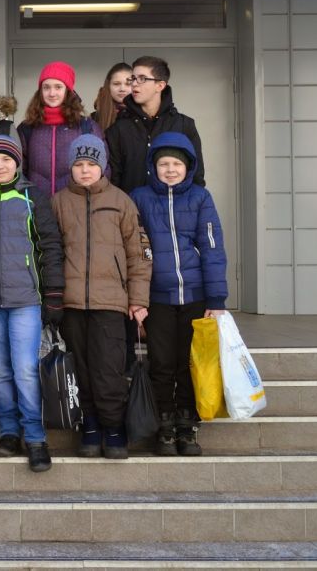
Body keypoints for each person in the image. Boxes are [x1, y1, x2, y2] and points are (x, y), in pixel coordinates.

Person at [0, 135, 64, 472]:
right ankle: (8, 432)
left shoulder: (31, 196)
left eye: (6, 159)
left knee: (24, 369)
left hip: (25, 299)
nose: (0, 165)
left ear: (17, 162)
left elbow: (50, 245)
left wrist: (54, 293)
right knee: (0, 370)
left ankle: (35, 438)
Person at [51, 133, 150, 460]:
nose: (85, 170)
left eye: (91, 164)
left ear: (102, 166)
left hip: (111, 303)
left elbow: (139, 254)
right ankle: (90, 426)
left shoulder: (121, 201)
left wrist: (138, 299)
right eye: (79, 164)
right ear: (70, 167)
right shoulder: (58, 202)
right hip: (72, 303)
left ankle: (114, 428)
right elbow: (49, 251)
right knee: (80, 368)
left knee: (108, 369)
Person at [130, 132, 228, 457]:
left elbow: (212, 249)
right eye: (163, 164)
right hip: (157, 297)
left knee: (188, 362)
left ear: (188, 167)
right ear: (153, 166)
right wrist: (137, 299)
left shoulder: (200, 198)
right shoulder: (140, 198)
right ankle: (165, 426)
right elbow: (134, 249)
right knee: (161, 363)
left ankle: (187, 425)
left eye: (176, 164)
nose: (170, 170)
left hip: (195, 297)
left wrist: (216, 300)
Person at [106, 55, 205, 193]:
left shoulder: (184, 125)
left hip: (174, 206)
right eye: (133, 78)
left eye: (142, 78)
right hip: (131, 205)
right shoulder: (118, 128)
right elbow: (113, 182)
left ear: (160, 85)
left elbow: (196, 176)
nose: (134, 84)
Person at [17, 61, 107, 198]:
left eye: (58, 87)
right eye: (46, 87)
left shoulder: (86, 126)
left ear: (68, 91)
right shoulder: (27, 128)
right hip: (36, 205)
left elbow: (104, 167)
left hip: (75, 205)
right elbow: (18, 171)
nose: (52, 93)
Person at [90, 62, 132, 130]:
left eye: (128, 84)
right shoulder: (93, 119)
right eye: (116, 84)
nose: (122, 89)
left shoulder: (143, 116)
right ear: (108, 86)